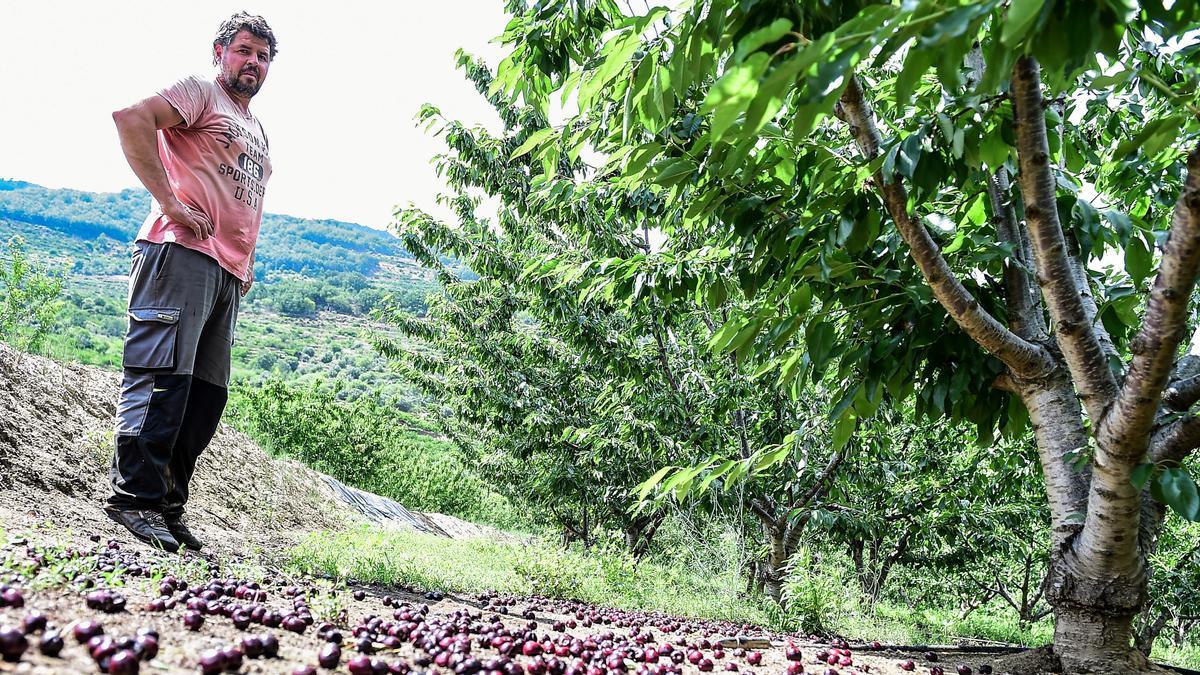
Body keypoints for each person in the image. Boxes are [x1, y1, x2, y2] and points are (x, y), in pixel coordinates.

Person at [105, 12, 277, 553]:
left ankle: (167, 506)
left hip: (226, 272)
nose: (253, 63)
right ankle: (134, 500)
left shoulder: (256, 127)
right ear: (219, 52)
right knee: (161, 379)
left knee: (204, 397)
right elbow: (132, 118)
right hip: (180, 253)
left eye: (263, 56)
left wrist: (245, 264)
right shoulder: (200, 92)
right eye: (244, 51)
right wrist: (170, 202)